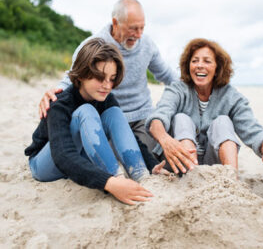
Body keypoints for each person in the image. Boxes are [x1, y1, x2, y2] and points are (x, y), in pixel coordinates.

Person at [25, 38, 167, 205]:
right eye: (100, 77)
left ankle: (141, 174)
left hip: (79, 157)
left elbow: (127, 136)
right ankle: (117, 179)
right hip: (47, 163)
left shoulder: (107, 98)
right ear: (83, 74)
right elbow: (62, 155)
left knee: (114, 113)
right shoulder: (60, 103)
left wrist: (152, 165)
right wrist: (110, 183)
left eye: (112, 78)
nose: (107, 85)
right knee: (86, 111)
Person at [39, 0, 178, 151]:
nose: (139, 35)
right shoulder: (93, 45)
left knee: (148, 155)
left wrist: (195, 88)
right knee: (113, 156)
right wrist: (54, 94)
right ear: (115, 22)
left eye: (142, 28)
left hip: (141, 117)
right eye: (133, 28)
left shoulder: (147, 44)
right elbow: (72, 78)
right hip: (107, 117)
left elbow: (167, 75)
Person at [145, 38, 263, 192]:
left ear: (217, 68)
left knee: (223, 121)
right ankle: (191, 179)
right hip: (178, 164)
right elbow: (158, 117)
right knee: (181, 118)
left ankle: (231, 183)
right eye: (195, 61)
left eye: (207, 61)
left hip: (213, 165)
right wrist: (165, 140)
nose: (200, 65)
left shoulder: (230, 96)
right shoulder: (177, 89)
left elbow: (253, 130)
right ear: (188, 66)